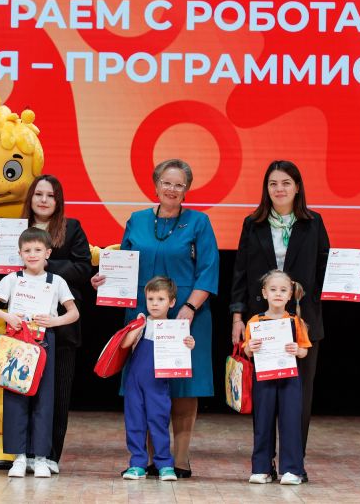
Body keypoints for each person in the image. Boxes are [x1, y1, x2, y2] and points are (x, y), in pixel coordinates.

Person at [230, 160, 360, 476]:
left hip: (302, 323)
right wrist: (237, 317)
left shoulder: (312, 222)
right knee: (265, 398)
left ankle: (293, 465)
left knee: (299, 399)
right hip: (262, 322)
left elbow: (326, 267)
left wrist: (355, 277)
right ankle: (263, 464)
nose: (279, 189)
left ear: (297, 187)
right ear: (266, 188)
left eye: (286, 183)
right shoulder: (253, 224)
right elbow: (240, 272)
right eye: (273, 183)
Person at [92, 159, 218, 478]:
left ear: (186, 190)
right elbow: (123, 264)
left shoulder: (199, 222)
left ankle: (180, 459)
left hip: (187, 313)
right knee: (145, 384)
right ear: (156, 185)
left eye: (179, 184)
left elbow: (208, 269)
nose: (171, 189)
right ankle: (148, 459)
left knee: (184, 385)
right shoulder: (136, 220)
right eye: (166, 182)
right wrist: (105, 281)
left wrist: (189, 308)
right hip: (141, 312)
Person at [0, 227, 79, 478]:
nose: (32, 254)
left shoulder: (56, 281)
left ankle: (41, 458)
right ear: (20, 253)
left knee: (44, 400)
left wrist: (54, 321)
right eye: (27, 250)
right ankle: (19, 457)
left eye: (37, 250)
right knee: (16, 398)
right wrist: (7, 316)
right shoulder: (12, 279)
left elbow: (73, 313)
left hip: (45, 341)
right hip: (16, 341)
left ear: (48, 253)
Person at [21, 174, 95, 474]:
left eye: (50, 195)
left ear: (58, 201)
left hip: (61, 326)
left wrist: (44, 264)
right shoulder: (16, 229)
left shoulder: (72, 228)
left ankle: (50, 455)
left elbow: (83, 268)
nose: (43, 200)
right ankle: (24, 453)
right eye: (38, 194)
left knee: (58, 393)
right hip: (22, 327)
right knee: (23, 391)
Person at [119, 277, 194, 482]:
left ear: (171, 302)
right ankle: (137, 464)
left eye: (160, 299)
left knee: (159, 422)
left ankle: (165, 465)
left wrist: (189, 342)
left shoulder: (175, 327)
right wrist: (136, 327)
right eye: (150, 299)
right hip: (135, 382)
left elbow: (184, 349)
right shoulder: (141, 321)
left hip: (158, 384)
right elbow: (124, 344)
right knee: (134, 422)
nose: (154, 303)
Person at [243, 270, 312, 485]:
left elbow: (304, 350)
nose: (278, 294)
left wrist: (297, 350)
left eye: (283, 290)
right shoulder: (255, 321)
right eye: (273, 289)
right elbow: (247, 350)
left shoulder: (295, 321)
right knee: (262, 422)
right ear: (265, 293)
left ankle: (292, 470)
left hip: (289, 378)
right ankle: (262, 468)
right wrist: (250, 347)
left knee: (290, 422)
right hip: (264, 378)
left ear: (290, 294)